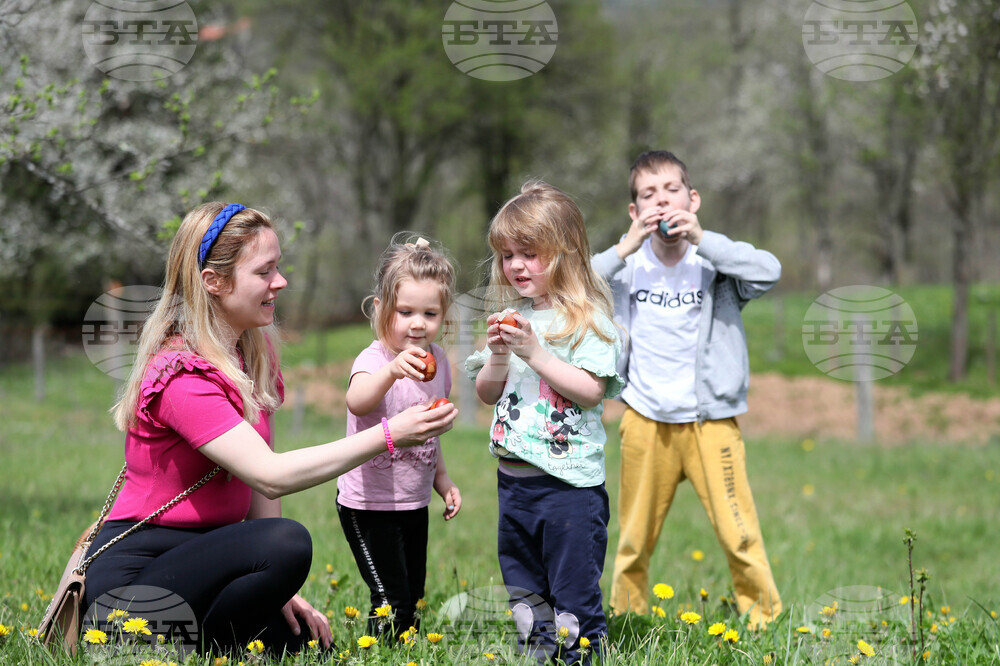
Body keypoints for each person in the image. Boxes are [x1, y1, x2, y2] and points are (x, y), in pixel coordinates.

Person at [82, 202, 457, 657]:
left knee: (303, 639)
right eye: (264, 272)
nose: (280, 282)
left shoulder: (252, 359)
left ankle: (198, 644)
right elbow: (270, 474)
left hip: (205, 562)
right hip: (133, 590)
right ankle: (139, 642)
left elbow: (262, 504)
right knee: (288, 542)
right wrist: (390, 433)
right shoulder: (180, 375)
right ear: (213, 282)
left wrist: (277, 587)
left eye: (277, 268)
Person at [592, 150, 782, 628]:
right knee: (634, 538)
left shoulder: (713, 263)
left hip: (709, 422)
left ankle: (763, 620)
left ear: (692, 199)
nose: (661, 200)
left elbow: (768, 270)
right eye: (647, 195)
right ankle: (628, 619)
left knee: (739, 533)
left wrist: (704, 238)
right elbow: (573, 284)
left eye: (671, 189)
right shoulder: (627, 267)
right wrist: (623, 247)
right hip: (644, 419)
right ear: (634, 212)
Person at [466, 181, 623, 665]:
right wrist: (496, 355)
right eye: (508, 255)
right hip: (513, 485)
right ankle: (536, 656)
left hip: (569, 490)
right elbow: (487, 393)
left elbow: (592, 390)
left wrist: (534, 352)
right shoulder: (511, 318)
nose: (515, 265)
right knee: (525, 590)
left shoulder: (587, 320)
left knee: (572, 593)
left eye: (529, 253)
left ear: (567, 253)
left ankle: (580, 657)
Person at [337, 235, 462, 640]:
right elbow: (357, 402)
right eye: (405, 311)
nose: (418, 323)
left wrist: (443, 480)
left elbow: (429, 431)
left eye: (430, 313)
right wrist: (391, 371)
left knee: (414, 593)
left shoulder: (439, 362)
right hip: (368, 503)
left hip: (413, 500)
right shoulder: (374, 360)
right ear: (381, 309)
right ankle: (380, 650)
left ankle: (406, 648)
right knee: (390, 599)